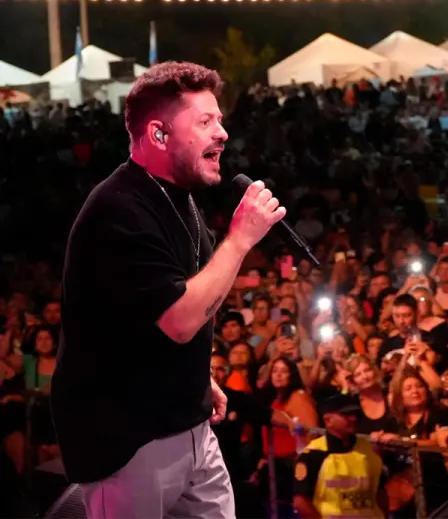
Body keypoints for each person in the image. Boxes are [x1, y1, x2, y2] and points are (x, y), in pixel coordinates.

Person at [51, 62, 287, 518]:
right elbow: (178, 320)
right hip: (130, 439)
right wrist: (241, 239)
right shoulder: (119, 210)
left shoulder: (178, 196)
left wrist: (199, 376)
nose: (222, 133)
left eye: (219, 119)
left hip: (190, 424)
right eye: (205, 121)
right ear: (158, 135)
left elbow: (159, 309)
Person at [293, 394, 388, 518]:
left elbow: (380, 493)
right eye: (345, 415)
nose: (353, 418)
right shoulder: (313, 454)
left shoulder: (368, 450)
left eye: (354, 414)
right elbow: (301, 502)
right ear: (328, 420)